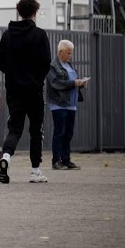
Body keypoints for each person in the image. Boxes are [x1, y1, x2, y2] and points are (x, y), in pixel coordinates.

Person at [0, 0, 52, 185]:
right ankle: (35, 171)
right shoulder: (40, 35)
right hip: (34, 90)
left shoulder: (7, 35)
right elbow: (45, 62)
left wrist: (13, 75)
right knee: (36, 130)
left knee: (15, 128)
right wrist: (36, 79)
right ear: (35, 12)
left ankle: (6, 157)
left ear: (19, 12)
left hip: (13, 90)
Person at [46, 40, 88, 171]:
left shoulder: (69, 64)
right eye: (68, 53)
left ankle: (66, 160)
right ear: (60, 52)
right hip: (59, 103)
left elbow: (72, 81)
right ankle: (56, 161)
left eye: (71, 53)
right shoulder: (52, 66)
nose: (70, 55)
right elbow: (56, 83)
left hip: (71, 104)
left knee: (68, 133)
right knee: (60, 132)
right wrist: (73, 83)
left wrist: (81, 83)